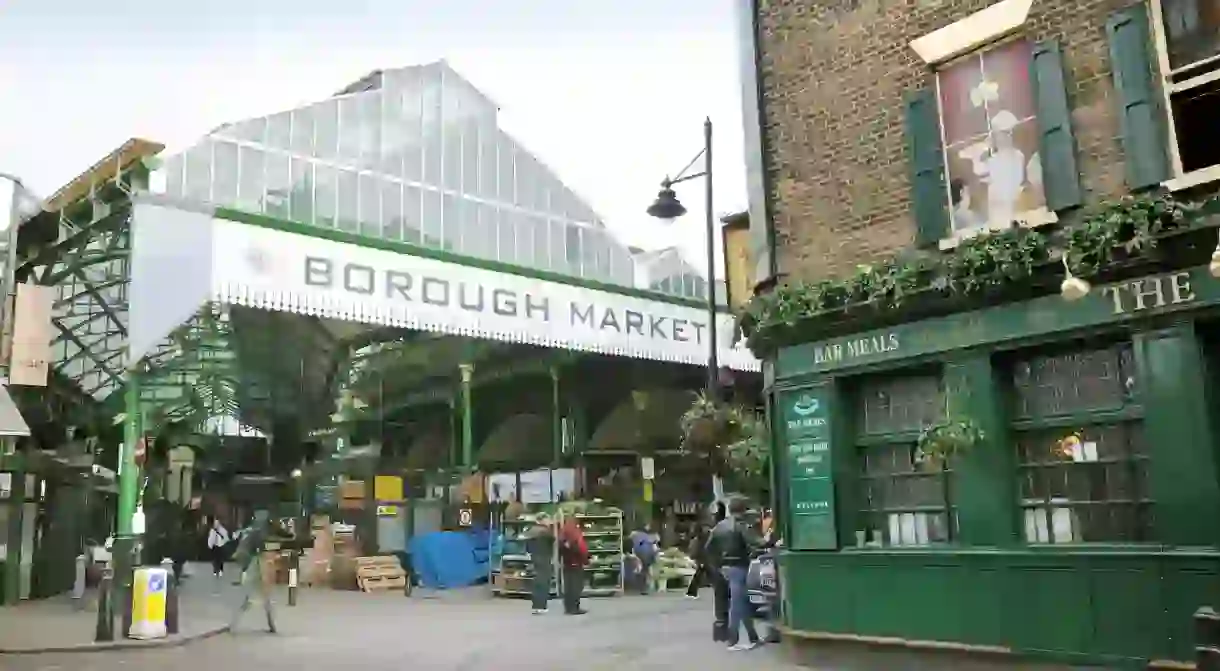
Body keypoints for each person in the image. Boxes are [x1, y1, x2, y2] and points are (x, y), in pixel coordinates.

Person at [706, 497, 763, 651]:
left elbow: (708, 548)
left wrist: (718, 565)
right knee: (738, 602)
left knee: (741, 600)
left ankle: (752, 636)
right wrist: (768, 542)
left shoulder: (719, 527)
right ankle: (734, 638)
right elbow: (756, 542)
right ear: (743, 510)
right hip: (740, 565)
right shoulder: (741, 525)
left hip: (725, 567)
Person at [229, 510, 277, 634]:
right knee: (261, 596)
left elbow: (242, 548)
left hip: (247, 563)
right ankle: (271, 624)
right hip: (254, 564)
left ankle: (233, 623)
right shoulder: (258, 532)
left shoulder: (249, 530)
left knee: (249, 596)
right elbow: (260, 549)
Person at [524, 513, 556, 615]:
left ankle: (536, 605)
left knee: (537, 582)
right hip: (544, 557)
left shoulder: (531, 530)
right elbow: (553, 540)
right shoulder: (545, 531)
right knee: (544, 582)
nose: (549, 521)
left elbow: (527, 546)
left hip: (535, 557)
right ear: (542, 520)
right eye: (548, 519)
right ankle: (542, 605)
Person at [558, 516, 589, 615]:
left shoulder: (562, 535)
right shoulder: (575, 534)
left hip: (566, 563)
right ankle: (575, 608)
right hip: (576, 562)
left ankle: (568, 607)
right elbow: (581, 548)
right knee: (577, 586)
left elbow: (560, 549)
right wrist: (586, 560)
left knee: (568, 586)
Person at [629, 521, 659, 594]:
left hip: (639, 553)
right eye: (647, 525)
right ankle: (644, 587)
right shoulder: (648, 535)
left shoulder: (635, 534)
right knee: (645, 570)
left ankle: (642, 587)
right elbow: (655, 544)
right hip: (646, 553)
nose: (648, 527)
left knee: (642, 570)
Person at [685, 522, 709, 599]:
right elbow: (701, 549)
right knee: (698, 575)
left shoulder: (700, 537)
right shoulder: (702, 537)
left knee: (699, 575)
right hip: (703, 559)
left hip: (702, 558)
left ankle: (691, 592)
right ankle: (691, 592)